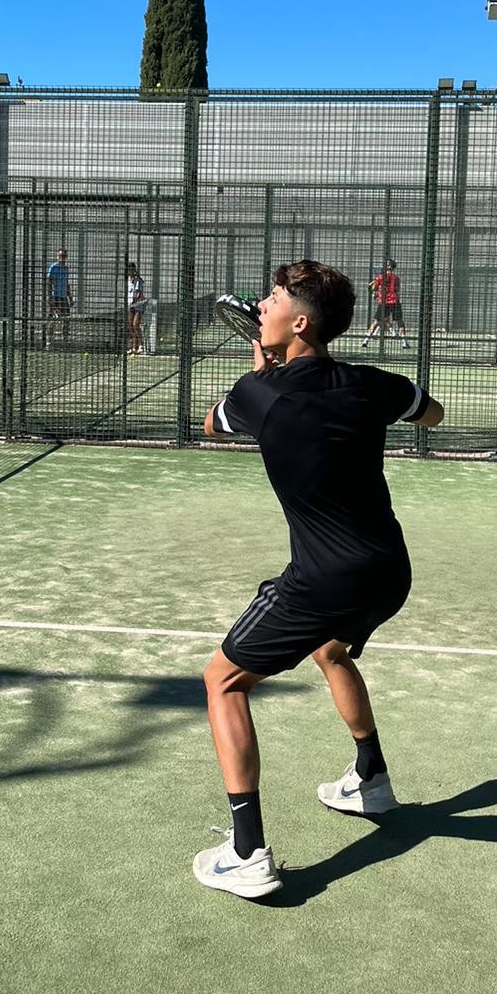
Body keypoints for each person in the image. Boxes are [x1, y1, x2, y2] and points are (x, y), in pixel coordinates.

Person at [192, 259, 444, 899]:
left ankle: (246, 853)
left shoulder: (258, 396)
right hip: (389, 572)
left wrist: (260, 374)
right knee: (330, 649)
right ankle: (372, 780)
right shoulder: (372, 384)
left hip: (324, 580)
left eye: (274, 297)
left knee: (222, 681)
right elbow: (432, 413)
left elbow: (213, 425)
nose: (263, 304)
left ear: (299, 323)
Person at [361, 260, 410, 350]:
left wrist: (376, 292)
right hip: (394, 302)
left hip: (384, 302)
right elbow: (397, 290)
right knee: (399, 321)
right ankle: (404, 342)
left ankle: (366, 340)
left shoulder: (380, 277)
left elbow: (373, 288)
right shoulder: (396, 278)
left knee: (376, 321)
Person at [44, 248, 71, 346]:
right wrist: (49, 297)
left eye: (63, 256)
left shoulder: (66, 268)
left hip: (63, 297)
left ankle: (65, 341)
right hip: (55, 296)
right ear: (57, 257)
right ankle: (48, 342)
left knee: (66, 320)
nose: (62, 258)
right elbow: (48, 282)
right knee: (53, 320)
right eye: (60, 256)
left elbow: (67, 283)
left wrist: (70, 297)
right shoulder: (54, 267)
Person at [126, 261, 147, 355]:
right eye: (128, 270)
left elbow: (138, 293)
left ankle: (141, 345)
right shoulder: (127, 280)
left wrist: (135, 300)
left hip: (138, 305)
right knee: (130, 325)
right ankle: (133, 347)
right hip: (130, 305)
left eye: (131, 269)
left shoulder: (138, 280)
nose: (130, 271)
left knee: (135, 325)